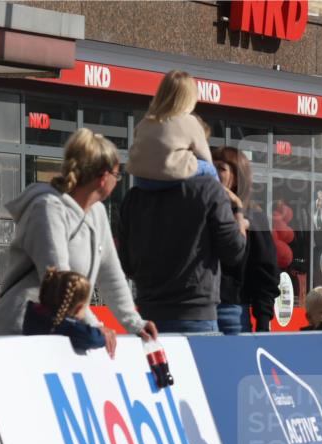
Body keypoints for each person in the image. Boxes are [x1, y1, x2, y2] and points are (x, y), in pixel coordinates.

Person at [0, 129, 156, 349]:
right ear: (103, 177)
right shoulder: (47, 208)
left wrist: (135, 323)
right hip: (21, 330)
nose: (117, 180)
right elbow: (60, 282)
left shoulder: (97, 213)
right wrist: (94, 326)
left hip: (63, 331)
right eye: (117, 174)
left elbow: (111, 275)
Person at [119, 140, 248, 334]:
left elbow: (127, 264)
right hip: (195, 313)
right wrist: (238, 211)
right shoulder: (208, 189)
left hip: (148, 313)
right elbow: (234, 251)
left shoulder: (134, 196)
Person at [213, 146, 279, 334]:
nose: (214, 173)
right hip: (194, 310)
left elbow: (265, 271)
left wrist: (263, 321)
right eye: (211, 167)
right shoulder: (199, 209)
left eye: (221, 168)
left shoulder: (254, 217)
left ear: (237, 177)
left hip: (231, 310)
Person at [127, 70, 217, 189]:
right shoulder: (189, 121)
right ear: (190, 97)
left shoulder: (145, 122)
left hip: (142, 179)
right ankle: (221, 195)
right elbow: (205, 156)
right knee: (210, 169)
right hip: (170, 176)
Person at [23, 268, 107, 353]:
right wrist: (102, 334)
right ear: (79, 308)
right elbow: (93, 339)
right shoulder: (67, 327)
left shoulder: (33, 316)